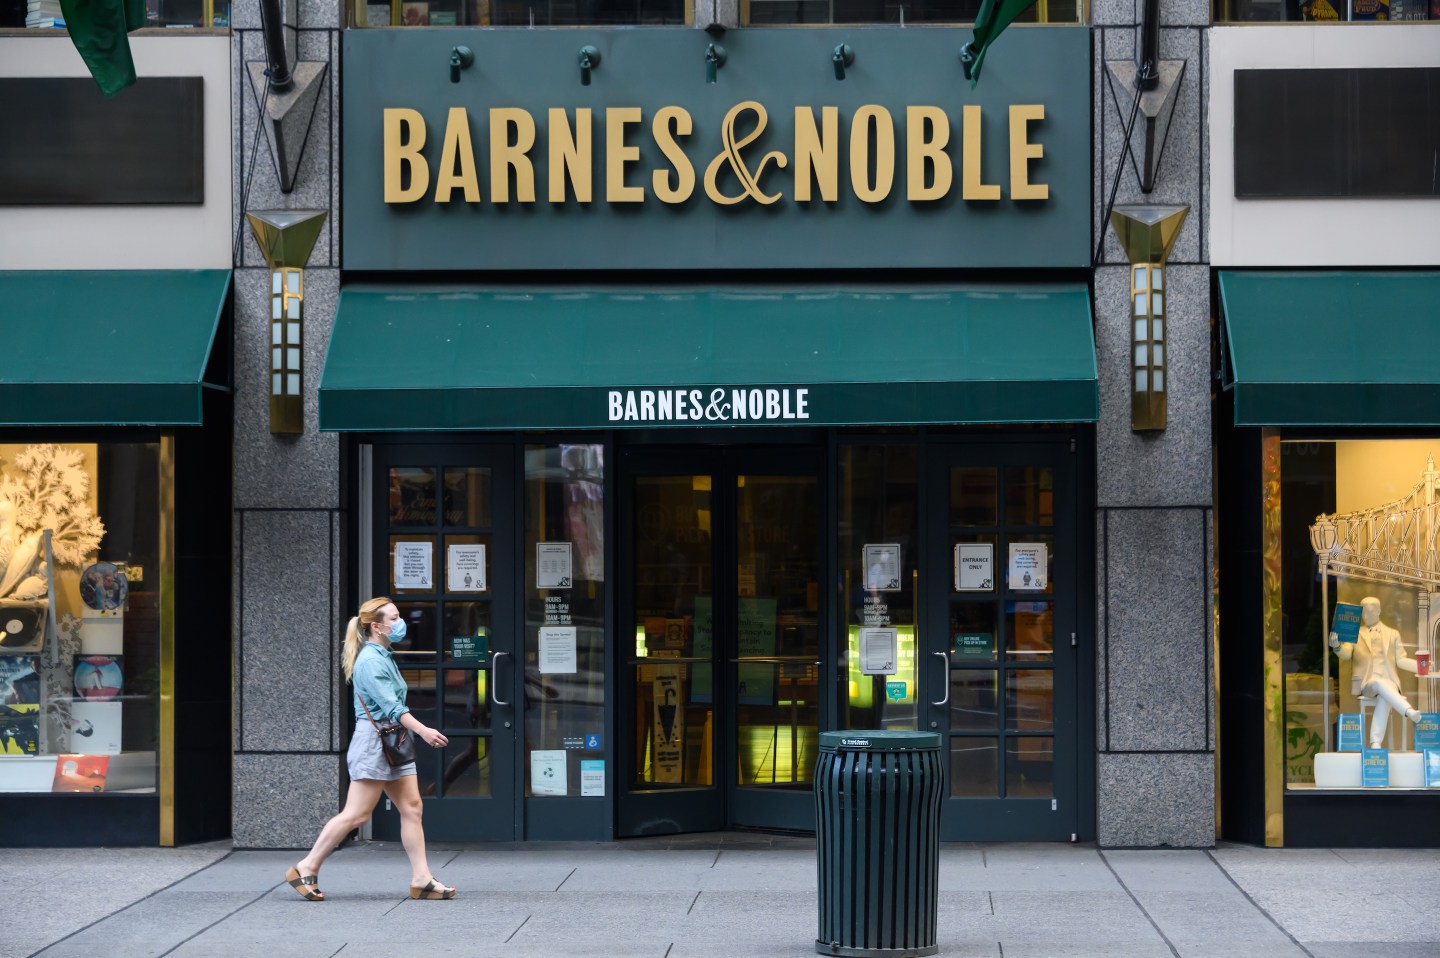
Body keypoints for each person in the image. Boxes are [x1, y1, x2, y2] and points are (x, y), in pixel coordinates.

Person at [285, 596, 456, 902]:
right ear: (376, 626)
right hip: (375, 741)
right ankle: (305, 866)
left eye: (398, 615)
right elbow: (392, 708)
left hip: (392, 741)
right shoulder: (372, 661)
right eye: (393, 618)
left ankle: (422, 879)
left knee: (412, 807)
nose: (400, 622)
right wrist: (424, 731)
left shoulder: (382, 655)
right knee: (356, 815)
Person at [1329, 596, 1422, 748]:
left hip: (1390, 683)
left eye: (1369, 611)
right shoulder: (1355, 633)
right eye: (1363, 612)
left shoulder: (1393, 634)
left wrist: (1421, 667)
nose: (1365, 615)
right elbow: (1346, 654)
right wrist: (1337, 646)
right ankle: (1408, 710)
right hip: (1368, 683)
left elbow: (1401, 660)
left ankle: (1375, 743)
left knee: (1385, 696)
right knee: (1379, 683)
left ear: (1378, 611)